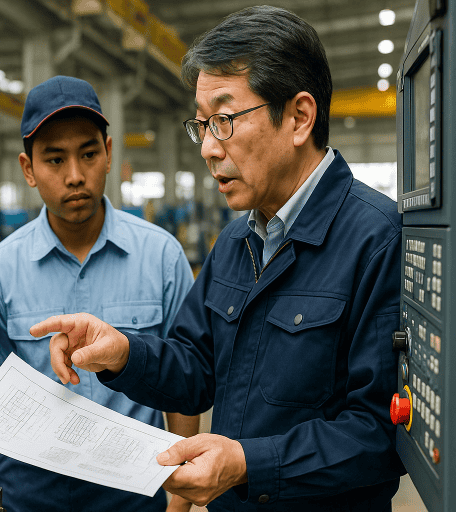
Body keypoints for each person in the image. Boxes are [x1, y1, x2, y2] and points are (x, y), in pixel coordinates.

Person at [33, 6, 406, 511]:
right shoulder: (236, 242)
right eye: (202, 126)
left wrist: (248, 464)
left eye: (225, 121)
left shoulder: (377, 240)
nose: (208, 148)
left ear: (299, 117)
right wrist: (123, 352)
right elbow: (195, 372)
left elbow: (379, 435)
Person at [0, 75, 199, 512]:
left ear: (108, 154)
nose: (75, 176)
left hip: (136, 501)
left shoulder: (161, 258)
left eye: (87, 154)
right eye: (55, 160)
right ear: (28, 169)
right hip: (29, 501)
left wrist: (179, 502)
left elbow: (183, 386)